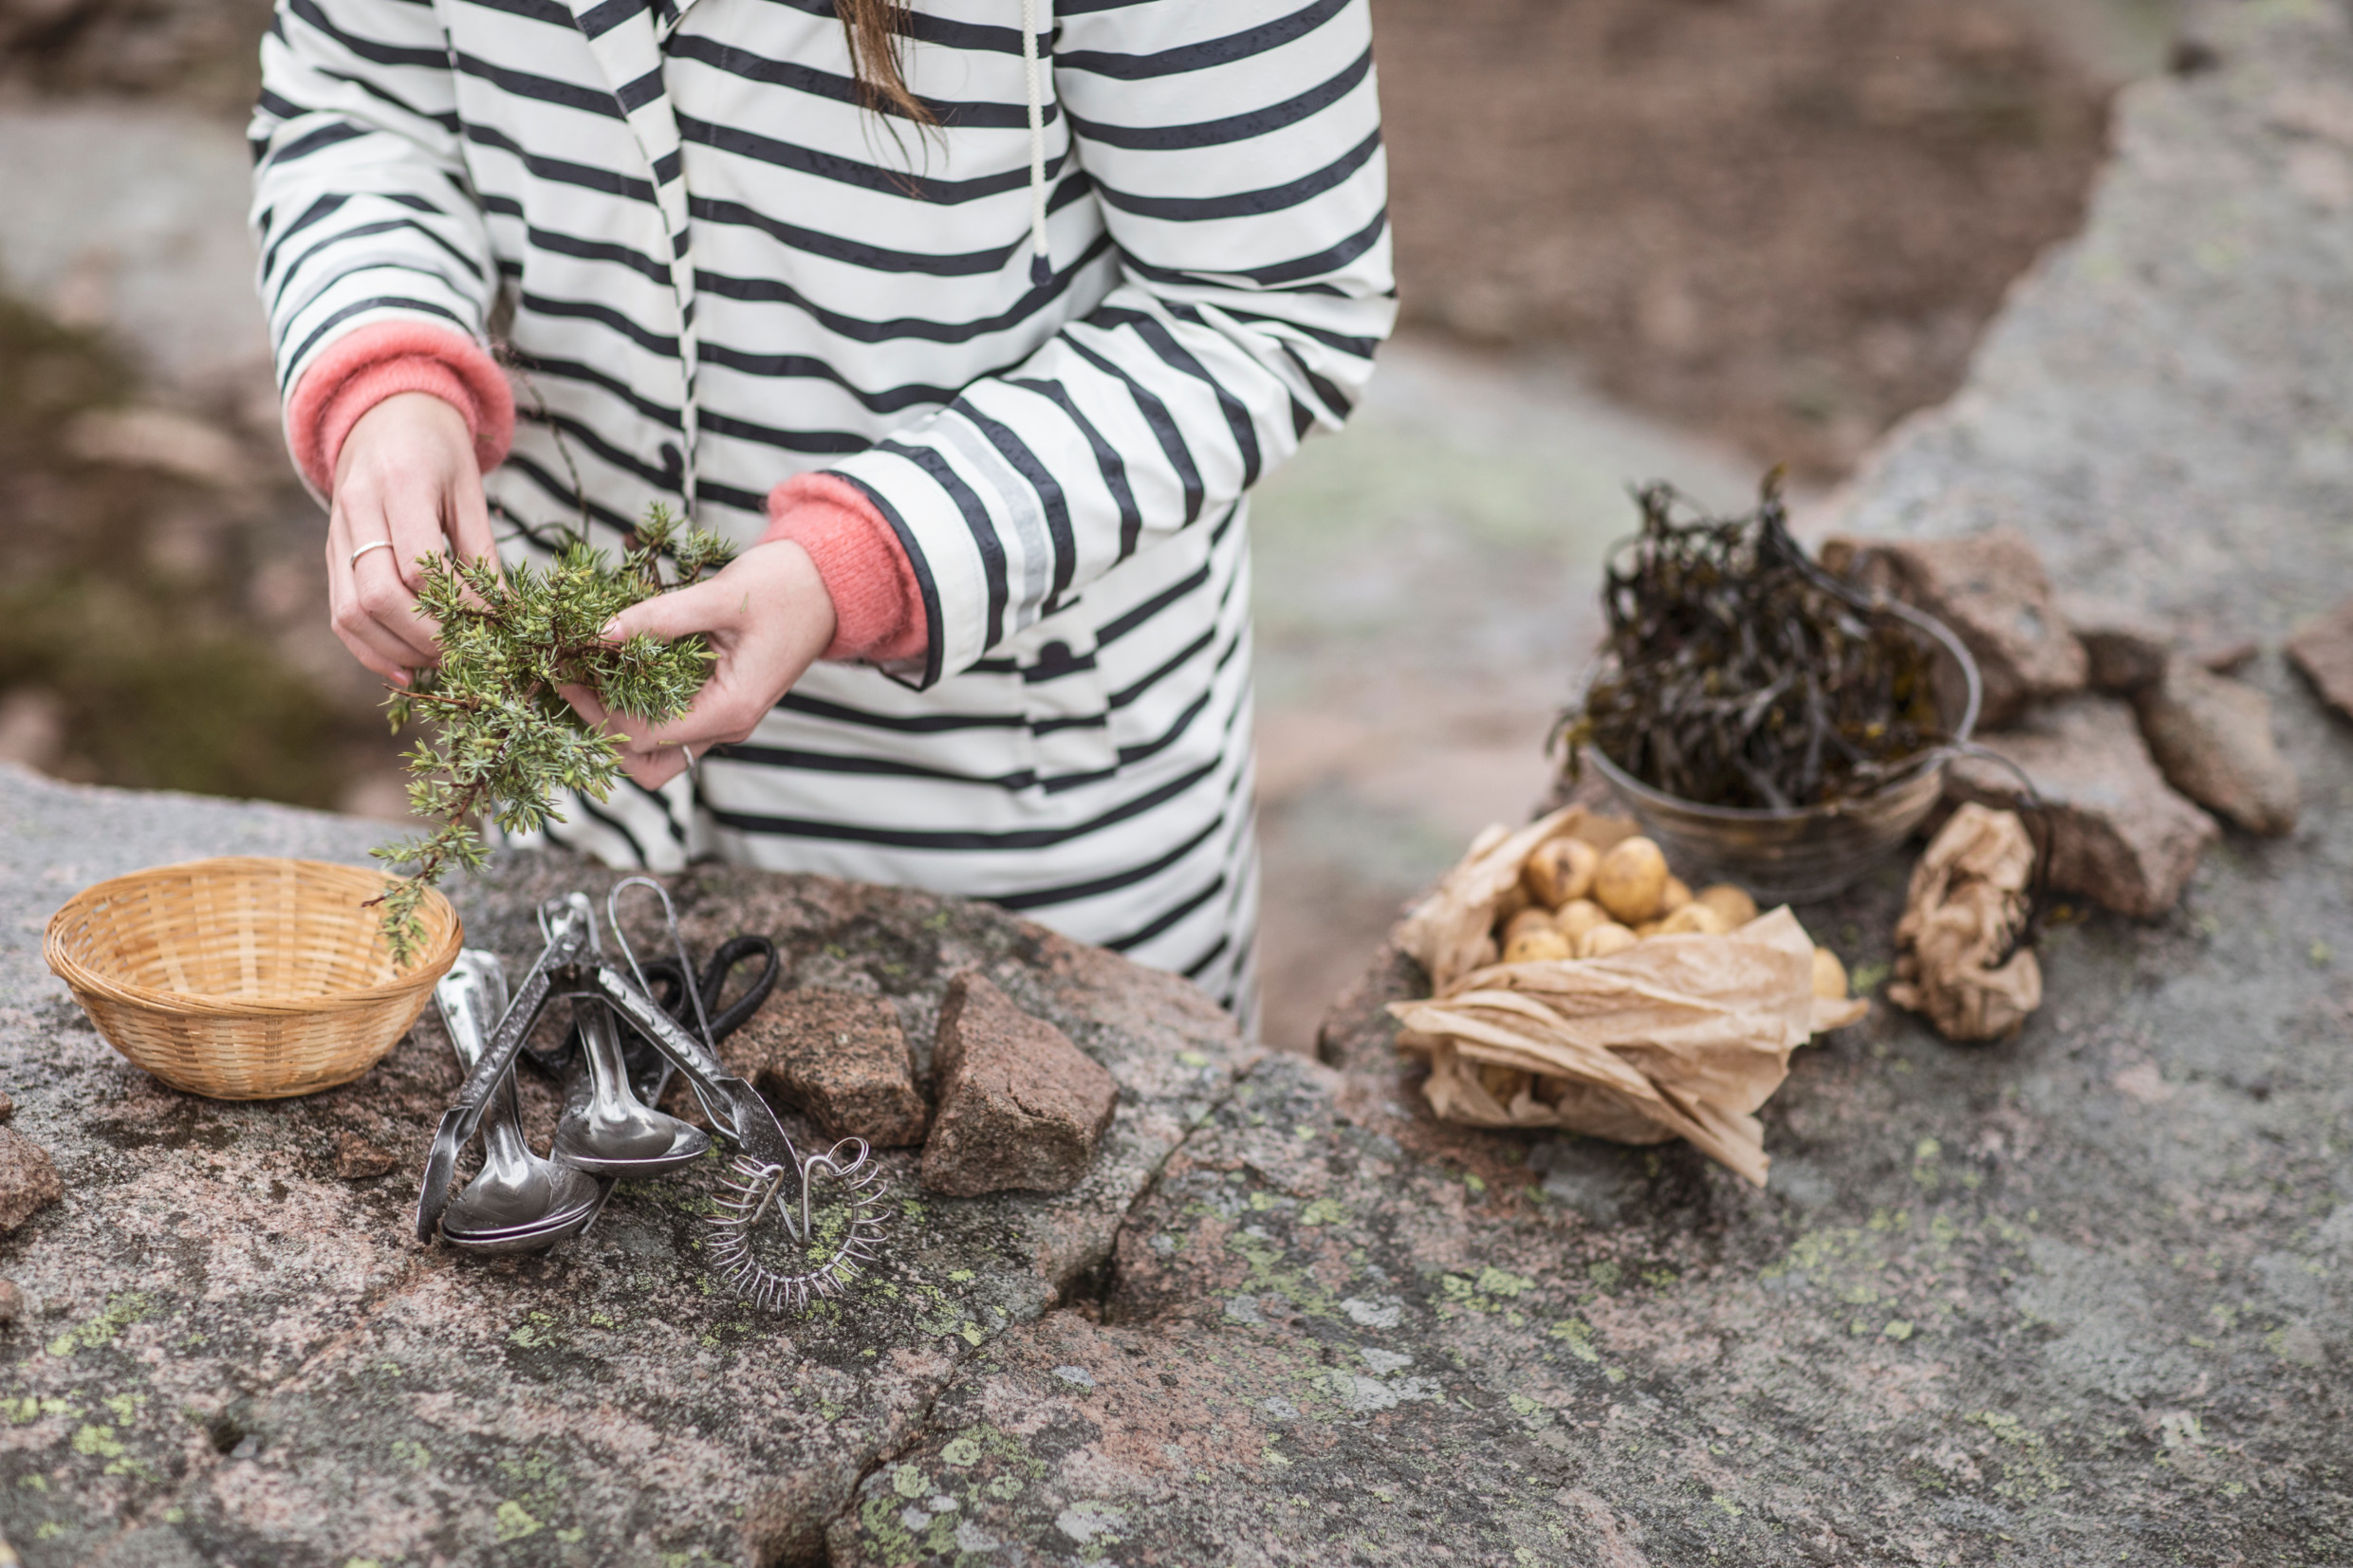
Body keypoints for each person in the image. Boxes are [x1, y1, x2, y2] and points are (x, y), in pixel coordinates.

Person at [250, 0, 1393, 1025]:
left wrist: (867, 561)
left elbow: (1265, 307)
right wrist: (389, 376)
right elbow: (357, 101)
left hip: (1009, 835)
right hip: (575, 778)